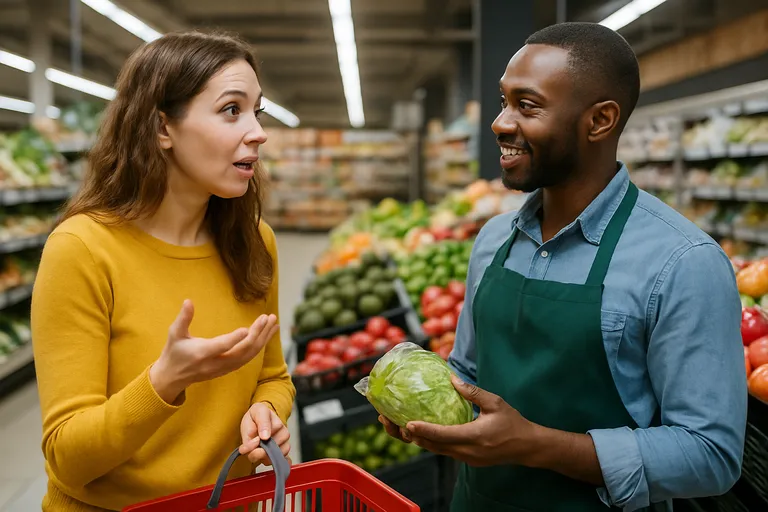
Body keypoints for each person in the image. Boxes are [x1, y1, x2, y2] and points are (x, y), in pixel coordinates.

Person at [381, 22, 747, 511]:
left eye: (527, 106)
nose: (500, 123)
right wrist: (426, 412)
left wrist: (535, 445)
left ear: (600, 121)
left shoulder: (683, 262)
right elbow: (468, 373)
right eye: (503, 101)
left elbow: (711, 455)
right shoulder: (493, 240)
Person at [31, 32, 296, 511]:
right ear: (162, 128)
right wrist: (164, 381)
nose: (258, 132)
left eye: (257, 112)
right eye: (231, 110)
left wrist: (266, 410)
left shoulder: (254, 243)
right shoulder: (82, 250)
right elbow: (68, 458)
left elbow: (273, 376)